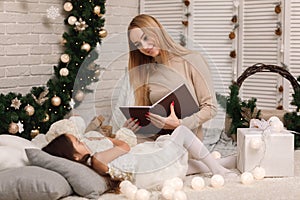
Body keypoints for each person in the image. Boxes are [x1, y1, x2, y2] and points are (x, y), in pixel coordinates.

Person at [43, 111, 235, 190]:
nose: (81, 140)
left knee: (180, 161)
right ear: (75, 155)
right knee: (182, 131)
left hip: (149, 177)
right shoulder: (97, 159)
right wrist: (107, 139)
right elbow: (125, 147)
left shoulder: (91, 166)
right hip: (150, 169)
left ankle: (224, 163)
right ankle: (219, 170)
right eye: (77, 141)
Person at [123, 14, 217, 141]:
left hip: (186, 141)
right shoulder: (147, 71)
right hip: (156, 140)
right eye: (138, 44)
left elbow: (210, 108)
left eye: (145, 37)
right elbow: (148, 118)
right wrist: (132, 128)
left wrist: (179, 124)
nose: (144, 47)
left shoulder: (191, 60)